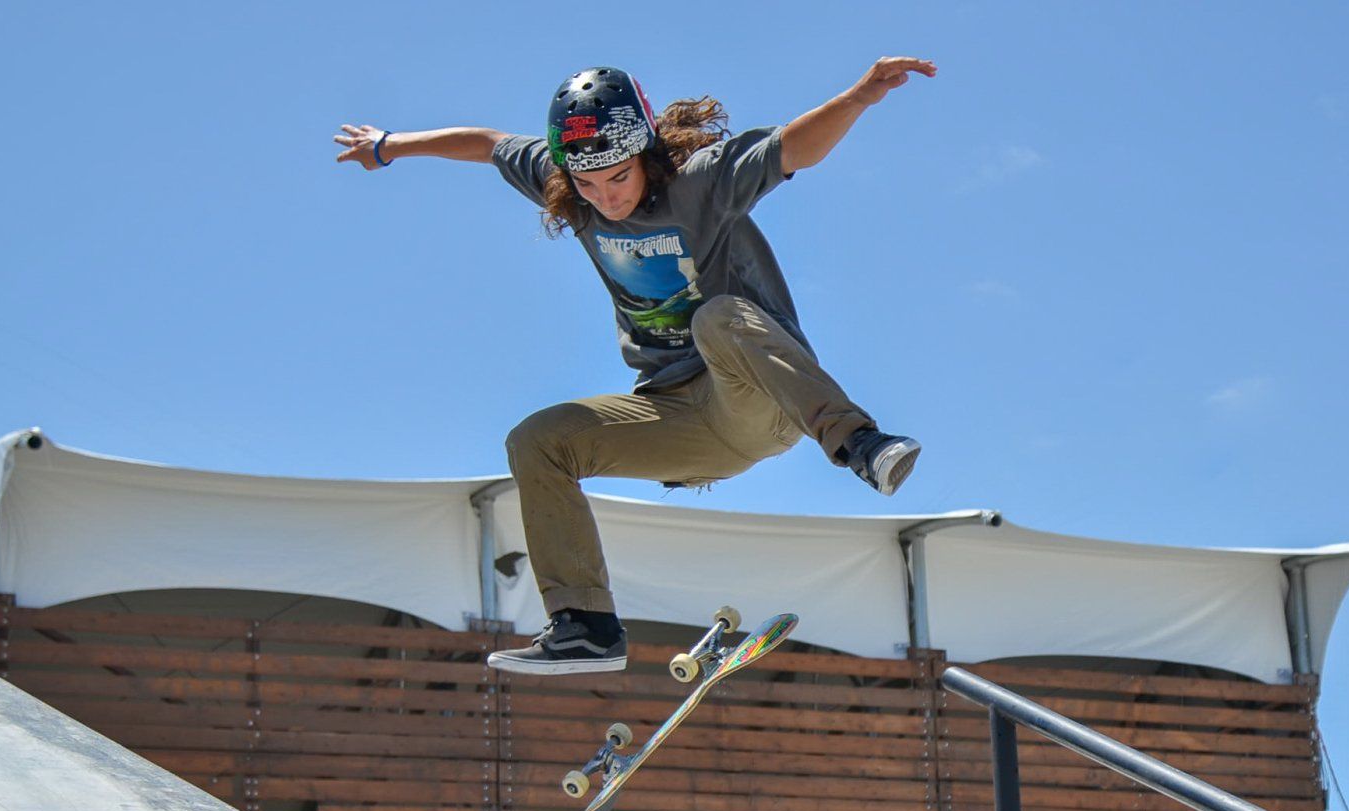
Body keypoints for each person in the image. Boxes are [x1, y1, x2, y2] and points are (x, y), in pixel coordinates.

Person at [335, 59, 936, 674]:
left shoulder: (702, 182)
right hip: (676, 417)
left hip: (758, 396)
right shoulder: (567, 186)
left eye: (618, 179)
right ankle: (585, 627)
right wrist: (390, 146)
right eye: (589, 186)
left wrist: (859, 97)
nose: (606, 198)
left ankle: (860, 442)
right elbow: (487, 145)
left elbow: (793, 148)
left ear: (645, 152)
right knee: (538, 441)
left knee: (717, 318)